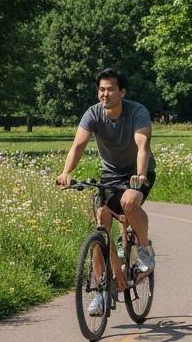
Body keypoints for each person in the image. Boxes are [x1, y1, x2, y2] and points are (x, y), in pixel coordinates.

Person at [56, 67, 156, 315]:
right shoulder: (92, 113)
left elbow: (142, 145)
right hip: (110, 174)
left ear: (122, 92)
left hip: (137, 170)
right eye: (101, 89)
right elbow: (78, 145)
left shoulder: (137, 112)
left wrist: (140, 175)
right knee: (101, 223)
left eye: (111, 89)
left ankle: (144, 250)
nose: (105, 94)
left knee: (129, 202)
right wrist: (66, 172)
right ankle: (101, 291)